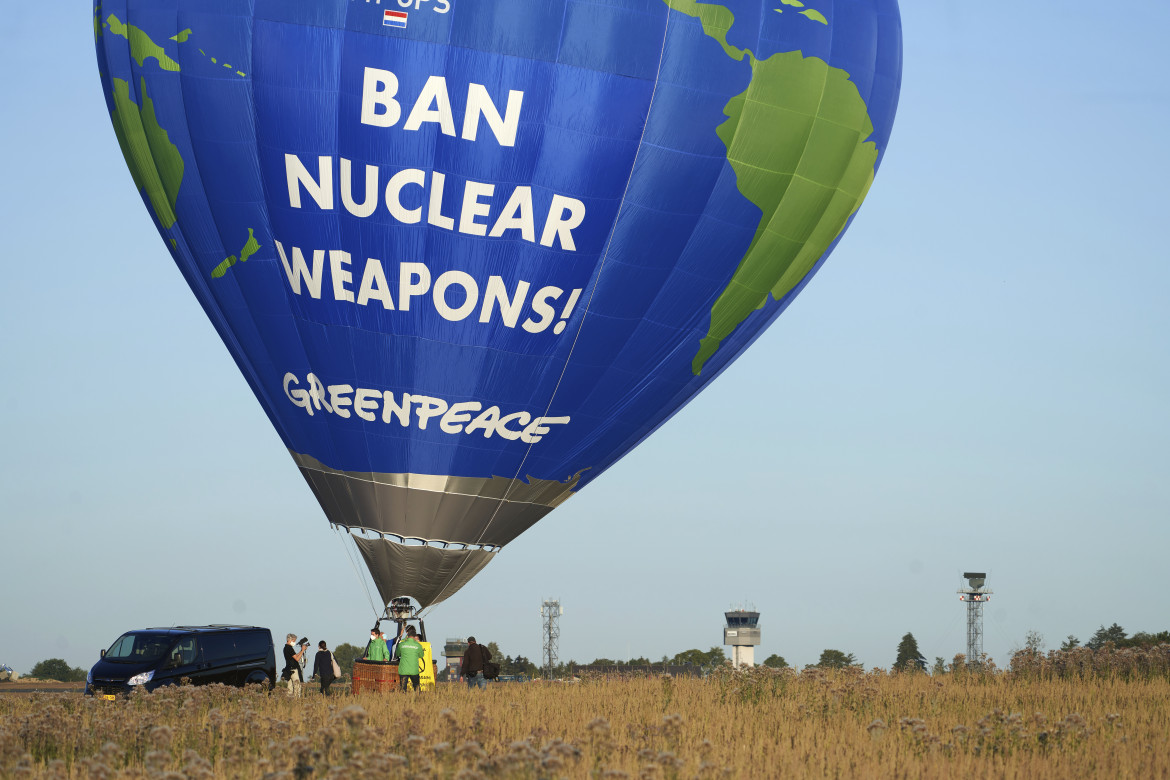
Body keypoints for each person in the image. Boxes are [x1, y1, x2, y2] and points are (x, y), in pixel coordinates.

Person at [396, 626, 425, 692]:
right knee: (416, 687)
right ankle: (418, 700)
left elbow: (398, 654)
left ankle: (403, 700)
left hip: (403, 670)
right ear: (415, 636)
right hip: (414, 670)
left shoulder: (401, 645)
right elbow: (421, 655)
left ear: (407, 635)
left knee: (403, 688)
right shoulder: (418, 645)